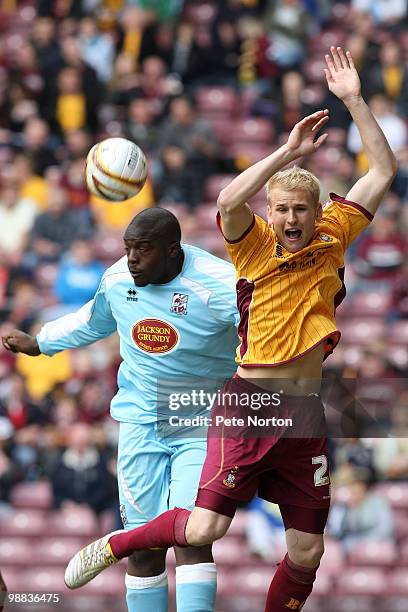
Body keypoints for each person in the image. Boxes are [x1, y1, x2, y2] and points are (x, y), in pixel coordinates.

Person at [60, 46, 398, 611]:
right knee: (202, 531)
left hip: (304, 414)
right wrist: (286, 152)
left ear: (318, 212)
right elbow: (227, 198)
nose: (291, 219)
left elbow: (384, 170)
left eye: (300, 210)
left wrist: (355, 101)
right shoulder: (254, 244)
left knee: (307, 552)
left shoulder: (335, 233)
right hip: (248, 405)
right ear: (273, 211)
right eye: (282, 209)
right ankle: (120, 544)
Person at [2, 208, 239, 612]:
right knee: (144, 543)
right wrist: (42, 343)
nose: (131, 259)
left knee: (191, 534)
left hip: (200, 419)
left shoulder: (220, 284)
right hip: (139, 420)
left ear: (172, 250)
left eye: (142, 250)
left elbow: (265, 330)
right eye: (128, 248)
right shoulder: (117, 280)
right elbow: (91, 321)